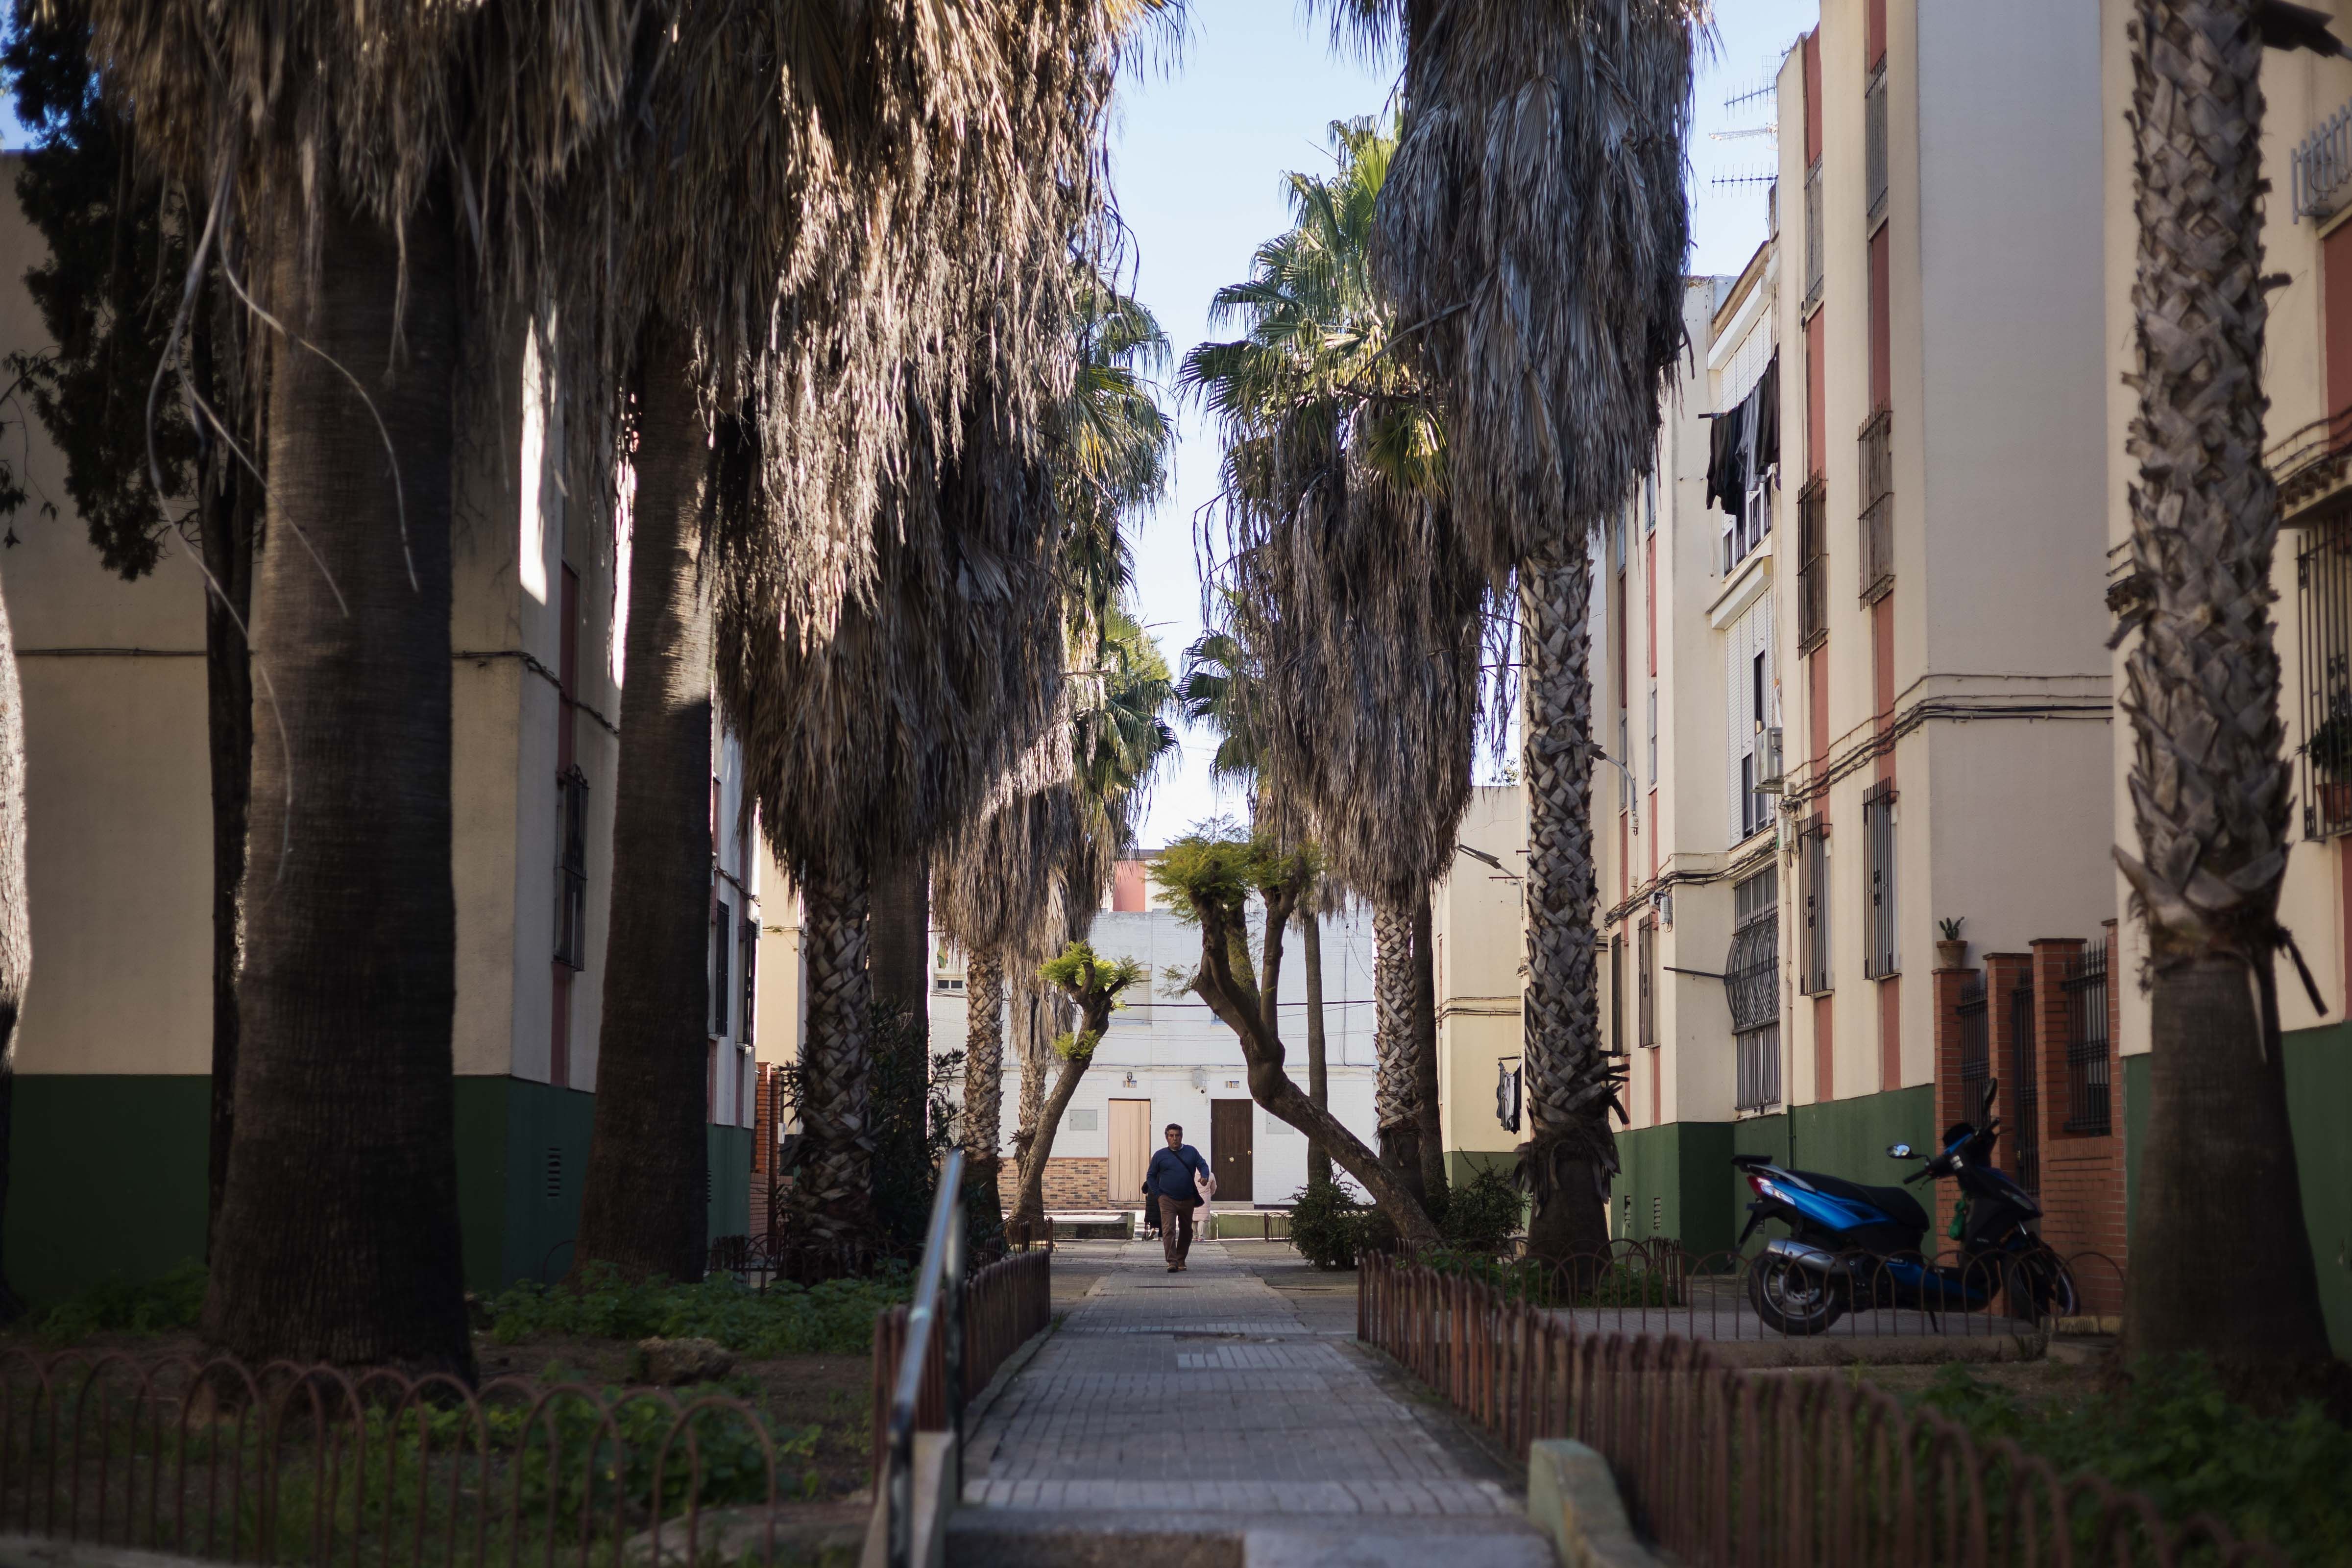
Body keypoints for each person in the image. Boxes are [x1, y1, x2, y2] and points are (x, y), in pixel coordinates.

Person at [1143, 1123, 1212, 1271]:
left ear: (1182, 1136)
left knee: (1187, 1231)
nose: (1175, 1139)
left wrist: (1205, 1176)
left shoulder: (1191, 1152)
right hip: (1167, 1198)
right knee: (1169, 1230)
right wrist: (1159, 1194)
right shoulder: (1160, 1155)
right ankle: (1172, 1262)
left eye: (1178, 1136)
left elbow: (1203, 1165)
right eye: (1171, 1136)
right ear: (1167, 1137)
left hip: (1187, 1198)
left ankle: (1181, 1259)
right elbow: (1151, 1176)